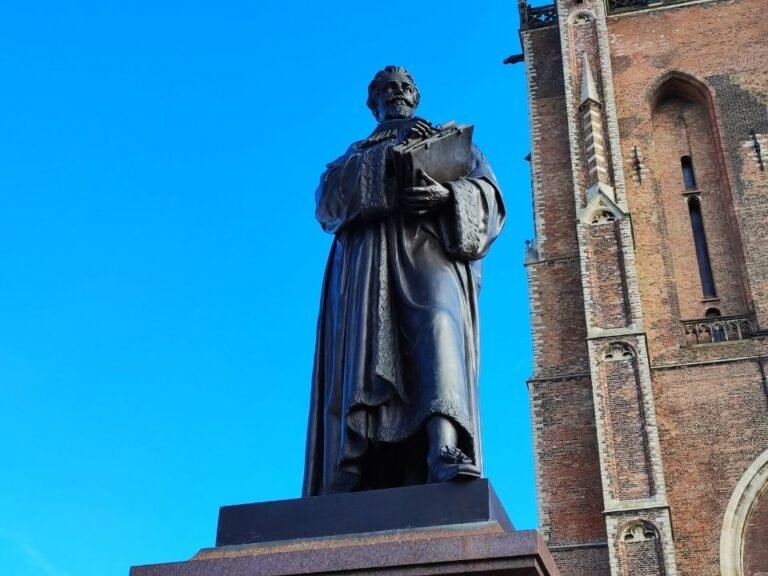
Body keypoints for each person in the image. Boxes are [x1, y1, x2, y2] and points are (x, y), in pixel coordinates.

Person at [303, 65, 506, 496]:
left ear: (416, 96)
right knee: (363, 350)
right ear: (373, 103)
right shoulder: (353, 154)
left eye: (406, 87)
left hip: (431, 251)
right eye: (387, 89)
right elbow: (327, 204)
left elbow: (490, 199)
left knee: (439, 328)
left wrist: (449, 196)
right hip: (366, 265)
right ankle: (353, 463)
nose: (397, 93)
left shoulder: (454, 144)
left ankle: (444, 450)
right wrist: (385, 170)